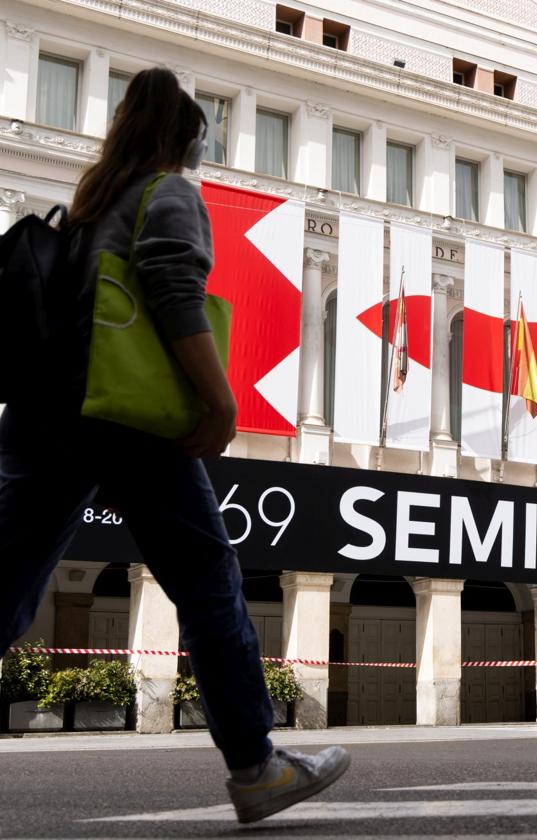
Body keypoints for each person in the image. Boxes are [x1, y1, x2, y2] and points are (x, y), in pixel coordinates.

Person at [0, 68, 348, 823]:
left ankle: (259, 764)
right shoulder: (168, 193)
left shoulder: (89, 208)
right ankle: (257, 768)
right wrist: (219, 401)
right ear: (182, 138)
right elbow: (172, 290)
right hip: (130, 423)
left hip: (44, 417)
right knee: (208, 577)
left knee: (8, 579)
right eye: (201, 136)